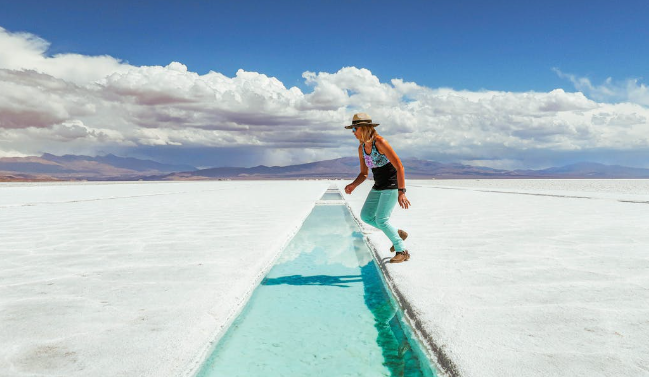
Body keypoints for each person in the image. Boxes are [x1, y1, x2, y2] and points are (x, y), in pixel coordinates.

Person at [344, 113, 411, 263]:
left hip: (392, 184)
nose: (353, 132)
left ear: (364, 128)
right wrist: (353, 185)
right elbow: (363, 173)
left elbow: (399, 166)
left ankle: (402, 250)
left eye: (355, 128)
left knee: (381, 219)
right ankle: (395, 233)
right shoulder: (361, 148)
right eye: (352, 129)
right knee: (366, 216)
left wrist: (402, 191)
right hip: (379, 185)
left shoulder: (380, 142)